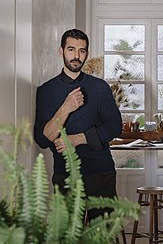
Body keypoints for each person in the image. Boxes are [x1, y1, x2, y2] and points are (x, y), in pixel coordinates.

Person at [34, 28, 123, 221]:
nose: (76, 56)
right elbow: (42, 139)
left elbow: (115, 126)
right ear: (61, 51)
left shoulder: (100, 88)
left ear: (86, 54)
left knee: (101, 242)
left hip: (101, 174)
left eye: (82, 51)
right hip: (65, 177)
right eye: (71, 49)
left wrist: (79, 139)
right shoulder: (46, 91)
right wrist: (66, 108)